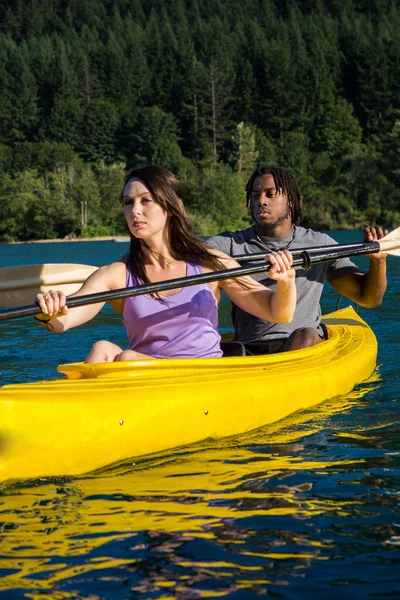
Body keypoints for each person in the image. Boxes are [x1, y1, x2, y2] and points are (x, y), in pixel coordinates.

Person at [34, 164, 296, 364]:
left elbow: (277, 312)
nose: (134, 210)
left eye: (145, 200)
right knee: (102, 348)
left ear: (169, 206)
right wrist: (50, 310)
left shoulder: (209, 262)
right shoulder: (116, 274)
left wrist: (285, 282)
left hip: (203, 378)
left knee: (126, 359)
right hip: (146, 376)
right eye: (128, 203)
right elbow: (63, 321)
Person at [207, 165, 388, 354]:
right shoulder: (229, 245)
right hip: (248, 350)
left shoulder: (320, 244)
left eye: (270, 194)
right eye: (255, 195)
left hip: (303, 347)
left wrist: (378, 261)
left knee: (305, 336)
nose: (261, 201)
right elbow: (191, 253)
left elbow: (369, 298)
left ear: (291, 201)